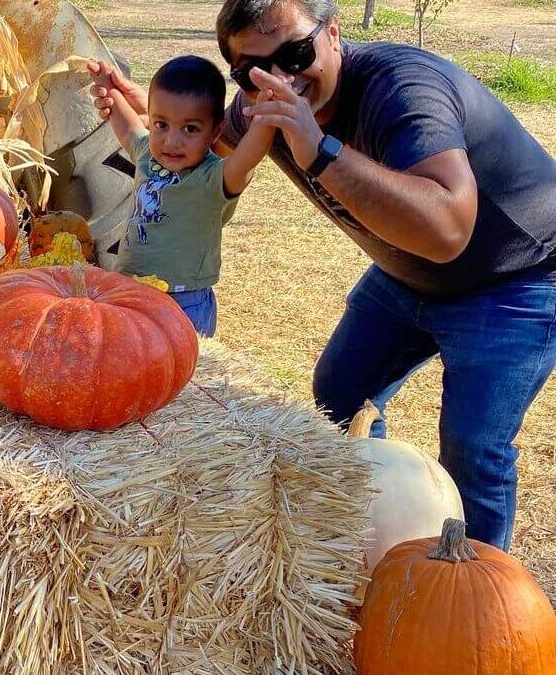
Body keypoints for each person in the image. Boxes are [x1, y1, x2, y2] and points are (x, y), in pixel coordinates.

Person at [88, 0, 556, 551]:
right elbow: (196, 143)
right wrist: (141, 102)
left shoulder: (405, 89)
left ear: (333, 33)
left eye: (297, 52)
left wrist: (319, 151)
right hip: (406, 276)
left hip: (515, 278)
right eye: (255, 70)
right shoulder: (262, 108)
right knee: (340, 393)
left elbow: (448, 230)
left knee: (474, 447)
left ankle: (478, 600)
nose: (283, 77)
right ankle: (375, 530)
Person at [87, 55, 274, 336]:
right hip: (129, 290)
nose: (172, 142)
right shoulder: (148, 155)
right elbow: (127, 126)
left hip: (183, 302)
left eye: (190, 129)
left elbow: (249, 156)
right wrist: (109, 87)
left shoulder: (215, 178)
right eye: (161, 124)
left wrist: (267, 116)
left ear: (216, 131)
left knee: (181, 376)